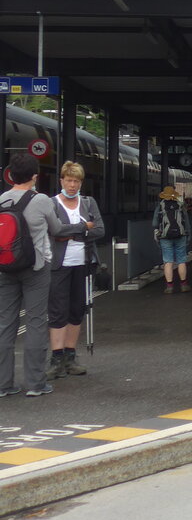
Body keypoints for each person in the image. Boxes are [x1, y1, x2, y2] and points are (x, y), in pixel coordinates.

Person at [0, 153, 65, 397]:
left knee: (5, 324)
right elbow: (57, 229)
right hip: (36, 268)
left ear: (11, 175)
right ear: (35, 176)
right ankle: (36, 384)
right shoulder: (42, 201)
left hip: (6, 268)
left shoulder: (2, 199)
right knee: (36, 322)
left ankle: (4, 384)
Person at [48, 161, 104, 379]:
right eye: (69, 180)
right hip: (59, 265)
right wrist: (82, 227)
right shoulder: (52, 204)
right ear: (61, 181)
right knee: (57, 311)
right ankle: (56, 357)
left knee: (77, 309)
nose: (72, 185)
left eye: (76, 181)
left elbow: (100, 229)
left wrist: (68, 233)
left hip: (83, 263)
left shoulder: (89, 203)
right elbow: (54, 230)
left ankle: (70, 356)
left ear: (81, 183)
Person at [153, 186, 191, 293]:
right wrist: (188, 235)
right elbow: (186, 222)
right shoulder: (180, 206)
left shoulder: (160, 207)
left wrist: (157, 232)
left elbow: (155, 223)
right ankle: (184, 285)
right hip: (181, 236)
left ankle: (169, 286)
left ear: (164, 195)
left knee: (168, 261)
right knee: (181, 261)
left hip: (165, 237)